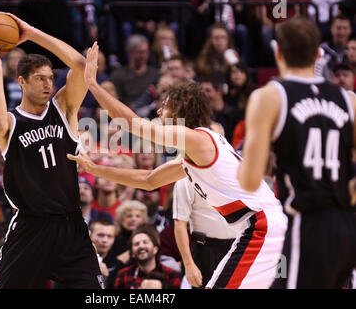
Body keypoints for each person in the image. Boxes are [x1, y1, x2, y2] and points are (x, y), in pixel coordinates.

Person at [69, 43, 288, 289]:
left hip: (261, 225)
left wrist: (92, 83)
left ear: (182, 109)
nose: (160, 110)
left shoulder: (198, 139)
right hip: (254, 226)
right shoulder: (192, 154)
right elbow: (149, 180)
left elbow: (135, 125)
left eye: (166, 105)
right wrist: (95, 169)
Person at [0, 12, 103, 289]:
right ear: (21, 81)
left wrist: (31, 33)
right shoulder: (11, 122)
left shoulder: (63, 108)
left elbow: (80, 66)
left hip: (71, 225)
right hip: (30, 227)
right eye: (39, 79)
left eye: (50, 78)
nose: (48, 84)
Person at [237, 16, 356, 289]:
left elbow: (250, 181)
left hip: (308, 223)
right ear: (318, 53)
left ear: (277, 51)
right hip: (347, 225)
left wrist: (265, 154)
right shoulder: (348, 99)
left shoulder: (270, 96)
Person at [173, 177, 238, 289]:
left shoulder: (234, 173)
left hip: (238, 245)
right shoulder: (185, 180)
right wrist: (188, 264)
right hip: (205, 250)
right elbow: (180, 226)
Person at [113, 224, 181, 289]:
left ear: (155, 249)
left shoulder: (172, 275)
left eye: (145, 242)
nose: (141, 246)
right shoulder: (123, 275)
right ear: (132, 253)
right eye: (136, 244)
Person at [110, 34, 160, 107]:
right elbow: (115, 100)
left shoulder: (156, 74)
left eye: (146, 52)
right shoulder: (118, 75)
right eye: (140, 52)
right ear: (130, 53)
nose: (144, 56)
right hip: (125, 114)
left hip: (150, 114)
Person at [107, 200, 148, 267]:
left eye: (138, 216)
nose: (133, 219)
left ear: (143, 220)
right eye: (129, 216)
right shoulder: (114, 240)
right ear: (121, 219)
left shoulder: (149, 240)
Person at [89, 219, 119, 289]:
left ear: (114, 239)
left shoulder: (117, 265)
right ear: (90, 236)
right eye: (100, 235)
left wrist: (104, 278)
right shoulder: (79, 262)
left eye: (109, 236)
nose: (105, 240)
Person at [320, 15, 352, 80]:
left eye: (345, 28)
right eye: (338, 28)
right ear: (331, 29)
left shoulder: (354, 50)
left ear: (350, 30)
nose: (342, 32)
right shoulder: (321, 50)